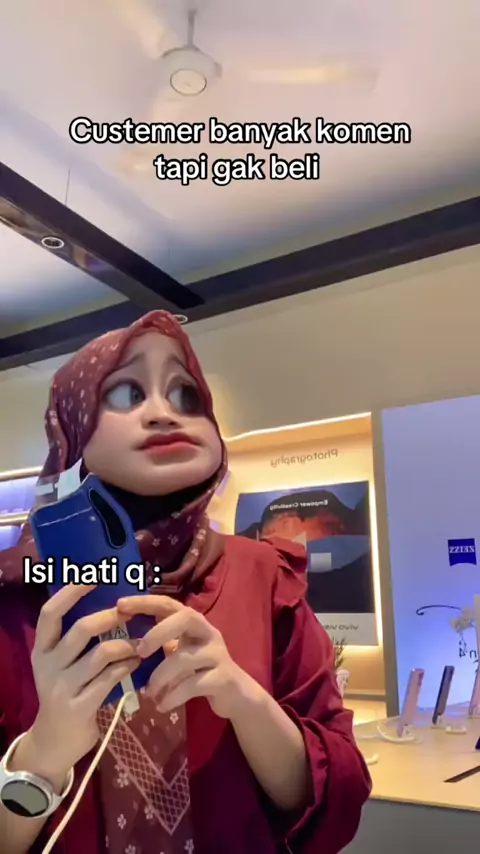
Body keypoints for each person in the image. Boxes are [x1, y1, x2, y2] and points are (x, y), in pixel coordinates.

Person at [0, 310, 371, 854]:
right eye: (126, 393)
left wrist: (246, 701)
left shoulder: (264, 576)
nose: (163, 412)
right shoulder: (15, 602)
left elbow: (340, 797)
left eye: (186, 395)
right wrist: (43, 755)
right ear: (73, 428)